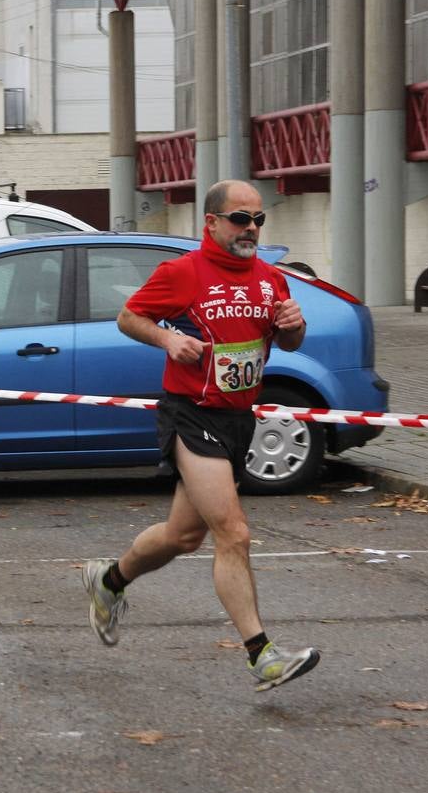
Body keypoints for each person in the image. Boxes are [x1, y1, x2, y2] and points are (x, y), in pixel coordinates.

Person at [82, 179, 319, 692]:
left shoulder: (269, 280)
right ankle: (262, 654)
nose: (251, 229)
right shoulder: (184, 273)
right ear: (210, 223)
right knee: (232, 532)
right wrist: (168, 338)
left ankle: (109, 580)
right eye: (240, 218)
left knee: (183, 536)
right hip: (191, 413)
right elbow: (130, 317)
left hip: (238, 418)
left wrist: (294, 323)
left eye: (258, 220)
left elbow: (290, 340)